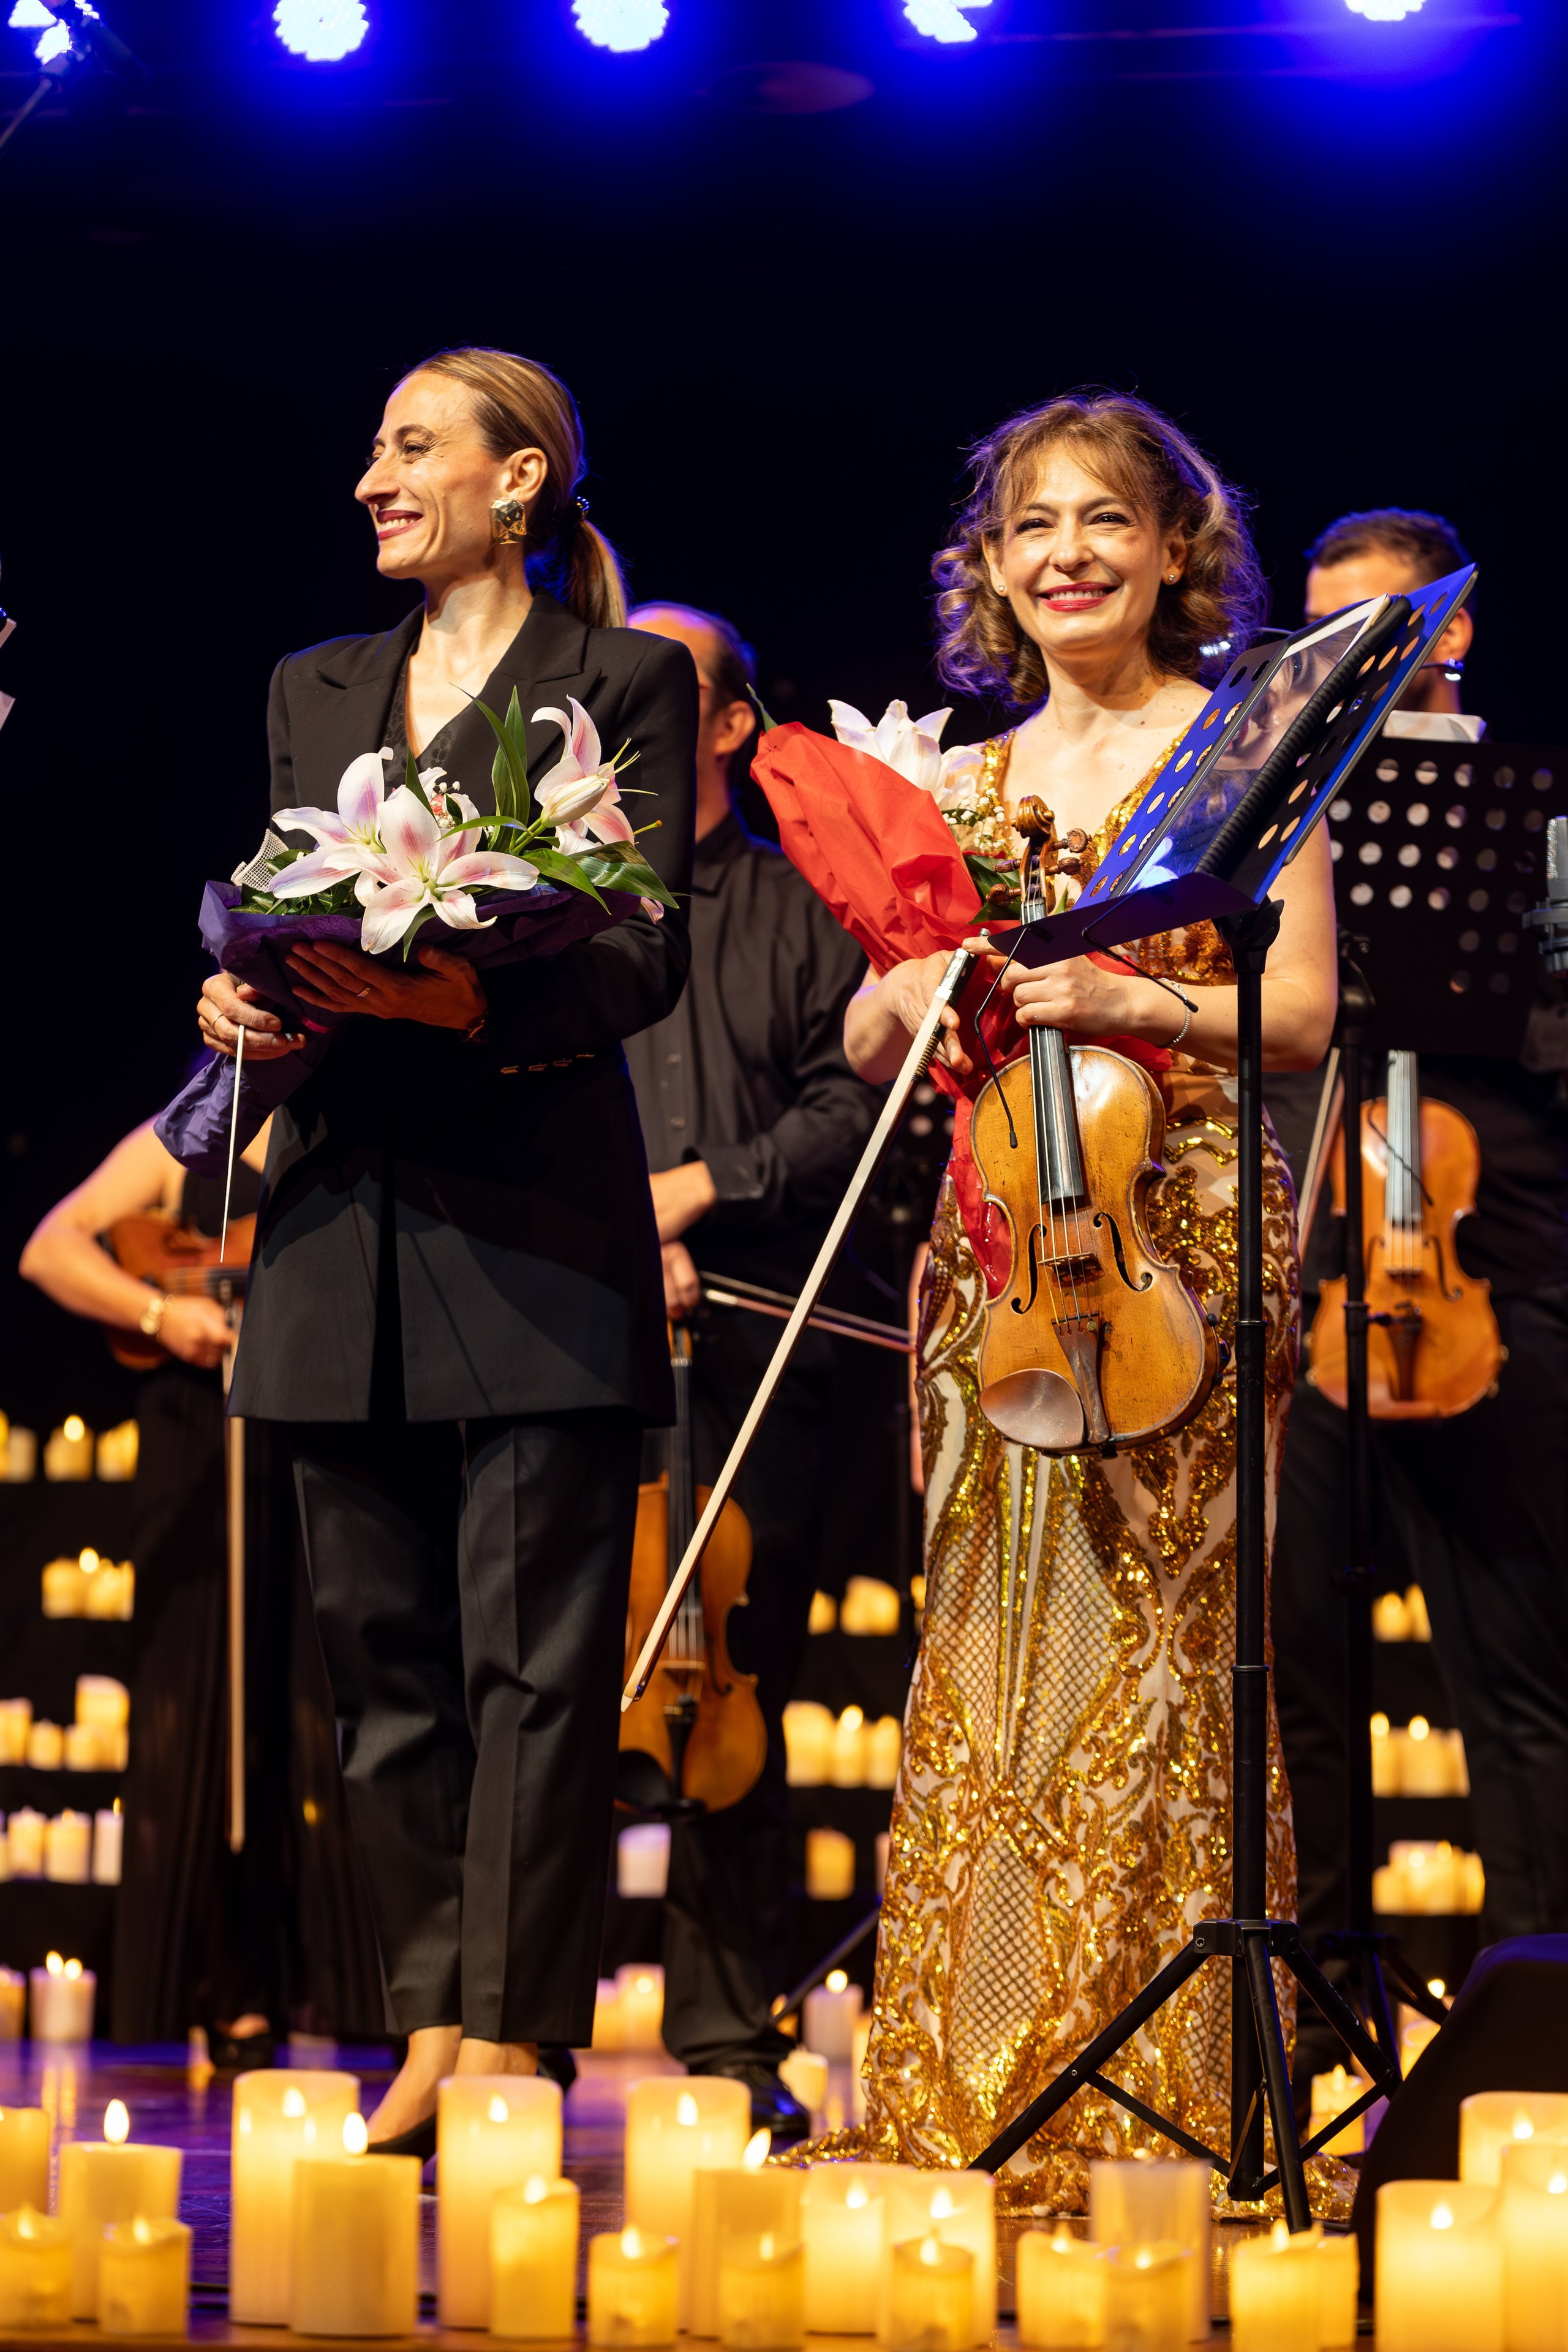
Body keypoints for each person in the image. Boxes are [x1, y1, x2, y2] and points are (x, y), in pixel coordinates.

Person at [195, 346, 696, 2154]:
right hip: (342, 1226)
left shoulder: (624, 682)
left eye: (410, 448)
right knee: (379, 1655)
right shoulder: (311, 684)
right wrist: (251, 1003)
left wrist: (460, 989)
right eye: (375, 452)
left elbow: (643, 958)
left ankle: (513, 2033)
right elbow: (278, 901)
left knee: (536, 1660)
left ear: (522, 478)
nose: (371, 482)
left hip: (537, 1227)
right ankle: (422, 2019)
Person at [837, 393, 1337, 2207]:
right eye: (1032, 526)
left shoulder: (1243, 759)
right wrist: (905, 999)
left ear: (1175, 550)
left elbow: (1296, 1024)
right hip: (999, 1253)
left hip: (1181, 1237)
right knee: (998, 1649)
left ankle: (1158, 2097)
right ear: (992, 567)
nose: (1068, 553)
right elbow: (869, 1027)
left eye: (1106, 521)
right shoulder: (951, 787)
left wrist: (1130, 1005)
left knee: (1160, 1652)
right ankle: (980, 2079)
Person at [1270, 507, 1568, 2005]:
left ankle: (1532, 1989)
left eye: (1381, 632)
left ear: (1447, 633)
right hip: (1312, 1282)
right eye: (1326, 643)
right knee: (1297, 1656)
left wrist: (1493, 988)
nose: (1352, 667)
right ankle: (1325, 2000)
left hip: (1489, 1279)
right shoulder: (1284, 824)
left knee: (1512, 1667)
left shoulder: (1542, 820)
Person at [622, 600, 881, 2135]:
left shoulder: (801, 916)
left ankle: (725, 2035)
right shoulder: (559, 914)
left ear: (727, 724)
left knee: (728, 1689)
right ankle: (501, 2030)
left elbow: (849, 1117)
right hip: (573, 1336)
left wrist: (692, 1192)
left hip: (757, 1342)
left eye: (666, 695)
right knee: (540, 1683)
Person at [18, 1117, 383, 2056]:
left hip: (312, 1432)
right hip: (195, 1442)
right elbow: (47, 1250)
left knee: (314, 1714)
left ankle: (338, 1985)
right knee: (199, 1714)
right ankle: (218, 1982)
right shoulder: (179, 1137)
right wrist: (158, 1315)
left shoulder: (340, 1122)